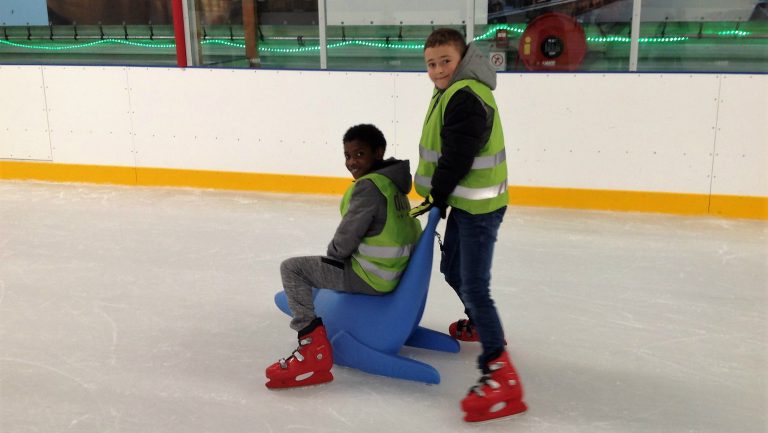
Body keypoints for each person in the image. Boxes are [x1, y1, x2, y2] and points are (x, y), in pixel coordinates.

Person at [409, 28, 527, 422]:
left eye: (445, 61)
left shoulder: (466, 96)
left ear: (463, 58)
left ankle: (500, 372)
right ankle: (479, 323)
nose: (438, 69)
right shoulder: (452, 89)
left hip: (479, 208)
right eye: (431, 63)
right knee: (452, 269)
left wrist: (437, 195)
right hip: (464, 203)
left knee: (475, 284)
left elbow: (458, 155)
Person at [266, 124, 422, 389]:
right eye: (348, 155)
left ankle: (311, 348)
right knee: (316, 267)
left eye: (359, 154)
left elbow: (343, 243)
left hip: (369, 276)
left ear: (378, 152)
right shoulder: (393, 184)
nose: (352, 162)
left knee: (293, 269)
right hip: (391, 271)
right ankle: (312, 297)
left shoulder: (368, 188)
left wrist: (332, 259)